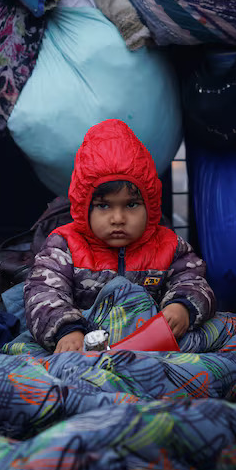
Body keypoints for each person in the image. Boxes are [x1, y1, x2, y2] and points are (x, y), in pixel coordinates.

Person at [24, 119, 215, 353]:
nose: (118, 218)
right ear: (84, 207)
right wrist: (67, 330)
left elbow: (193, 280)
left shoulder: (169, 246)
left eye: (131, 204)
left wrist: (182, 307)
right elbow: (42, 293)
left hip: (150, 345)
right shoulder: (64, 246)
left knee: (225, 337)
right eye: (104, 206)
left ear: (151, 205)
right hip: (84, 346)